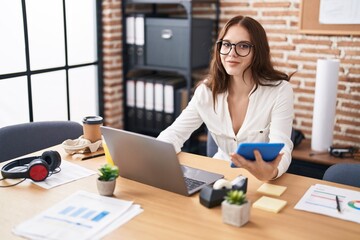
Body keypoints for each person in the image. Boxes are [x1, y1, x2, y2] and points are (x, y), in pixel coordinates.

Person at [157, 15, 294, 181]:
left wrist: (272, 172)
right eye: (227, 44)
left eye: (243, 46)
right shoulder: (206, 92)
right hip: (220, 176)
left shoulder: (280, 91)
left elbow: (283, 147)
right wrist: (153, 156)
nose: (232, 53)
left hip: (261, 178)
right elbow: (174, 134)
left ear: (258, 51)